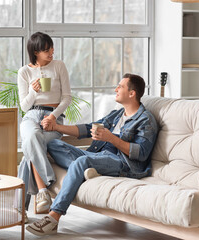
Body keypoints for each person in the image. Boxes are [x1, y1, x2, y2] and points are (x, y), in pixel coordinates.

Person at [26, 73, 159, 236]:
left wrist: (111, 138)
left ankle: (54, 217)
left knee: (82, 161)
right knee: (52, 144)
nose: (116, 89)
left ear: (132, 93)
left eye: (120, 86)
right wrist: (56, 127)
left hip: (122, 162)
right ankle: (92, 170)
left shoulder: (146, 120)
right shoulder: (117, 115)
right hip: (99, 155)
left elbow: (141, 153)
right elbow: (88, 128)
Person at [17, 32, 72, 217]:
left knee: (29, 150)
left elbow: (66, 98)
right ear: (35, 52)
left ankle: (19, 209)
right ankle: (44, 188)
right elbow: (24, 106)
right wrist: (33, 92)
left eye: (51, 48)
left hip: (53, 116)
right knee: (32, 137)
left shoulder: (59, 66)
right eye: (46, 50)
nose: (51, 52)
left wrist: (54, 117)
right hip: (31, 115)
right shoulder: (24, 72)